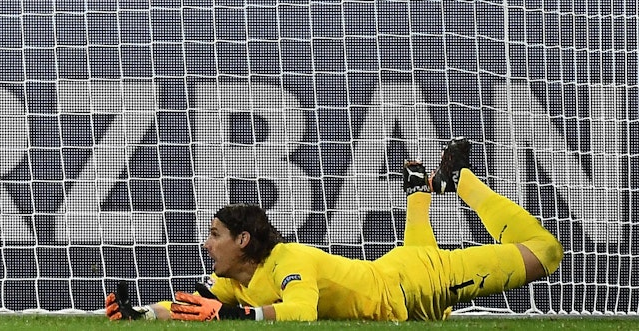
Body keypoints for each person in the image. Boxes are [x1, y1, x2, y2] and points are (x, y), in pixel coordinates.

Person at [106, 138, 565, 322]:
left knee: (546, 252)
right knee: (414, 252)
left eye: (214, 234)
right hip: (395, 272)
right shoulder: (233, 279)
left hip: (417, 285)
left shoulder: (290, 261)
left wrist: (238, 317)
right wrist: (140, 313)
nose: (205, 243)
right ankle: (419, 188)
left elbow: (302, 313)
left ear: (242, 241)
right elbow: (193, 309)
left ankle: (459, 180)